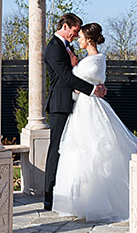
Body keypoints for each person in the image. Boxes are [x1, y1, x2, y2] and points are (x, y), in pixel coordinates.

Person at [52, 22, 137, 222]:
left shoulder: (94, 61)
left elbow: (75, 84)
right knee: (80, 152)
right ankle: (82, 201)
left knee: (93, 151)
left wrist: (74, 68)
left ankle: (95, 202)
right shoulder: (90, 60)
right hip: (83, 107)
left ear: (89, 39)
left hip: (89, 108)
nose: (79, 39)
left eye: (81, 36)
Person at [43, 14, 107, 211]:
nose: (76, 34)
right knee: (56, 150)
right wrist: (93, 89)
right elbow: (66, 77)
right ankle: (49, 196)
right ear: (65, 26)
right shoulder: (54, 47)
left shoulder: (66, 47)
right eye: (75, 30)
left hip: (76, 105)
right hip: (60, 105)